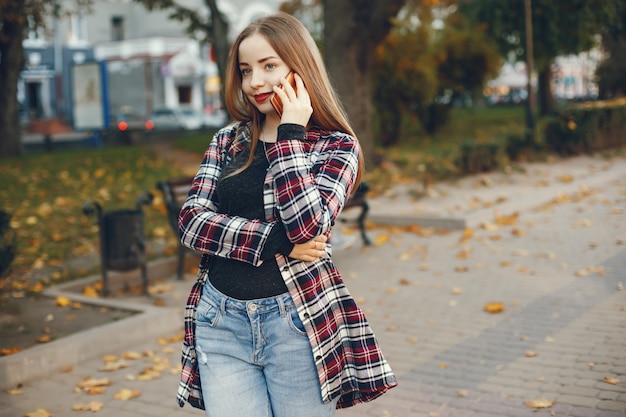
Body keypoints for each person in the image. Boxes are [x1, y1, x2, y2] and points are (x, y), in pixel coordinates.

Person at [176, 12, 397, 417]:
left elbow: (309, 226)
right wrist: (274, 240)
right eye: (246, 70)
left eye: (269, 66)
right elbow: (191, 222)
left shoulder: (336, 147)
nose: (255, 82)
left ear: (299, 67)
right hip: (219, 321)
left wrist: (290, 135)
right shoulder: (229, 140)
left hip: (296, 323)